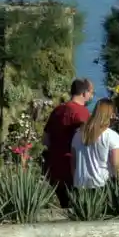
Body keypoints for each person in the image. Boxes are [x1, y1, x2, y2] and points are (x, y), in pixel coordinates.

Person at [43, 78, 93, 206]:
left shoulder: (58, 110)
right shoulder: (82, 113)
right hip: (74, 169)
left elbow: (46, 139)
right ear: (84, 93)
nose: (91, 96)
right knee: (78, 207)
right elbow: (88, 141)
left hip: (55, 168)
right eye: (90, 93)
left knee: (64, 205)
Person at [71, 97, 119, 188]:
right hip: (102, 185)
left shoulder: (78, 134)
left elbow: (73, 163)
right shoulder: (111, 136)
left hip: (80, 185)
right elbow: (116, 164)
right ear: (111, 115)